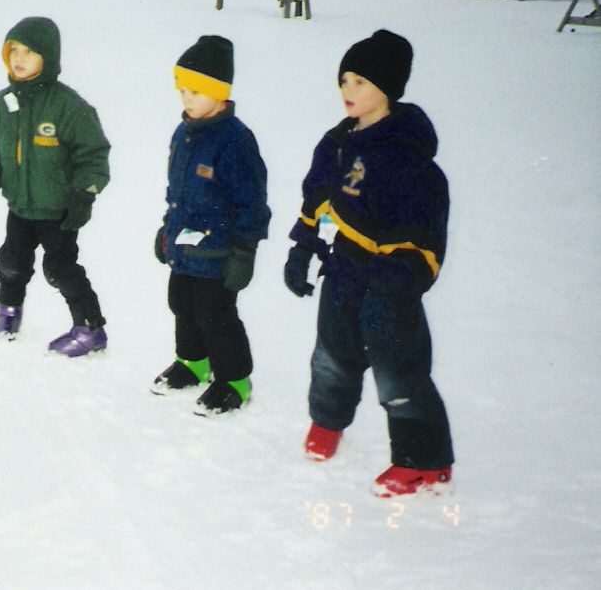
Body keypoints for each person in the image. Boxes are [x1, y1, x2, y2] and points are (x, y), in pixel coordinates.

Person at [283, 29, 454, 497]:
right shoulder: (337, 143)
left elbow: (422, 235)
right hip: (342, 271)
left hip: (388, 285)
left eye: (360, 81)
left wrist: (392, 288)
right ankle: (328, 422)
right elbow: (316, 198)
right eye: (344, 80)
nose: (347, 90)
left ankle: (425, 461)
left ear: (388, 88)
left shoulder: (406, 159)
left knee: (398, 372)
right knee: (331, 356)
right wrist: (302, 247)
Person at [0, 17, 111, 356]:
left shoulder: (69, 107)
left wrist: (84, 195)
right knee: (11, 263)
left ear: (47, 57)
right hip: (20, 207)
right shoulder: (1, 106)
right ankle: (9, 311)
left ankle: (90, 328)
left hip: (59, 211)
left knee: (60, 269)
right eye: (13, 51)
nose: (19, 58)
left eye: (29, 52)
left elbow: (93, 155)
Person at [151, 36, 270, 415]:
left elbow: (252, 201)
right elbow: (177, 190)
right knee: (181, 302)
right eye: (183, 91)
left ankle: (234, 380)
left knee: (214, 314)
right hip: (185, 246)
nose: (187, 99)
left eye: (196, 91)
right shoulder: (184, 132)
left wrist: (245, 250)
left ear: (220, 93)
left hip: (219, 251)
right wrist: (167, 228)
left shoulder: (235, 142)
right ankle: (193, 362)